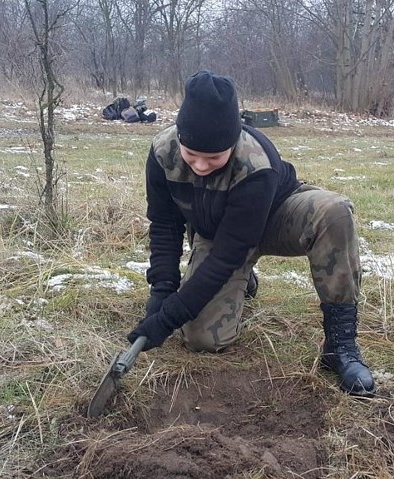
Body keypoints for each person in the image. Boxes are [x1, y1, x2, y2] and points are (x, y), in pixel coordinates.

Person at [127, 70, 375, 396]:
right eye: (192, 156)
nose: (200, 166)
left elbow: (228, 255)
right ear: (180, 139)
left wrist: (167, 319)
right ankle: (244, 281)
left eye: (213, 157)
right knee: (202, 340)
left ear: (232, 142)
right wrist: (160, 293)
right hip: (218, 234)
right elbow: (164, 225)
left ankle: (340, 344)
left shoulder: (256, 163)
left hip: (276, 218)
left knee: (335, 212)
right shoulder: (162, 153)